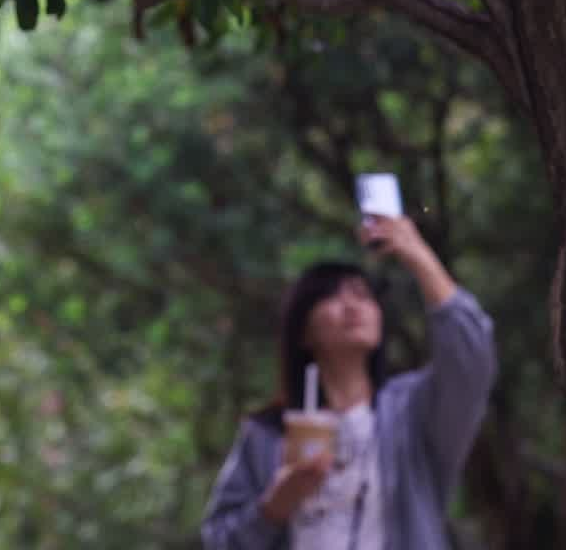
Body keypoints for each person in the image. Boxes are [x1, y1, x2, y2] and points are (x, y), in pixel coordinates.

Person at [201, 215, 497, 549]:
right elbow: (219, 541)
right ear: (303, 330)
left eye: (362, 295)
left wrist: (416, 253)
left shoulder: (413, 414)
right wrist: (276, 505)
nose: (352, 305)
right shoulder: (267, 435)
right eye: (332, 296)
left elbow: (472, 357)